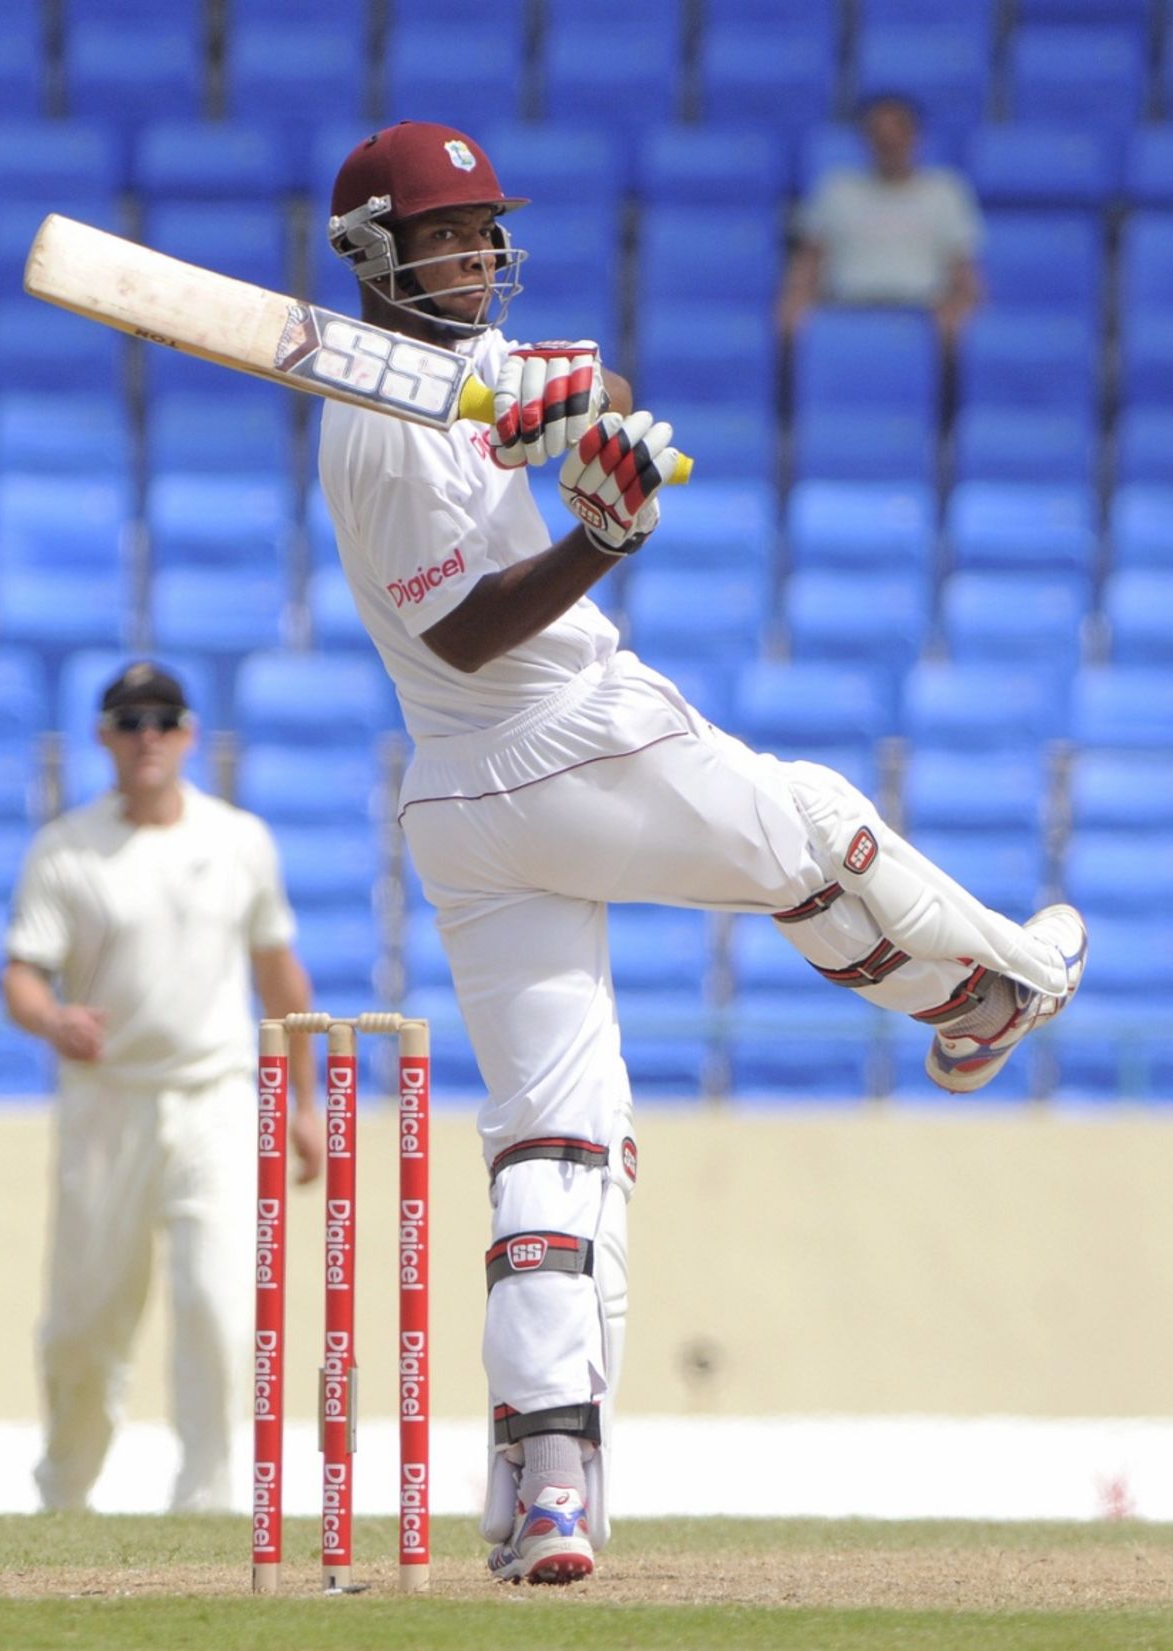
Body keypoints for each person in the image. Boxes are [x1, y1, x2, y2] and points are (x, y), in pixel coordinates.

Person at [319, 120, 1085, 1585]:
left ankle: (545, 1482)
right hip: (560, 732)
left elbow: (583, 389)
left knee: (560, 1128)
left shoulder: (450, 370)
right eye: (447, 239)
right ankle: (988, 991)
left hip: (458, 817)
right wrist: (601, 537)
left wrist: (574, 407)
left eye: (487, 235)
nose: (477, 259)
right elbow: (467, 627)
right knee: (804, 819)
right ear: (372, 252)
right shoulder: (381, 433)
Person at [1, 660, 321, 1514]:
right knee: (85, 1319)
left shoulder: (239, 839)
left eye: (163, 718)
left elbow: (281, 975)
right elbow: (21, 975)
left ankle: (212, 1501)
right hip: (108, 1102)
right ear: (104, 736)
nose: (147, 735)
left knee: (220, 1303)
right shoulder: (66, 848)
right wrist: (52, 1021)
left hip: (217, 1095)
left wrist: (304, 1101)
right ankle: (64, 1493)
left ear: (188, 735)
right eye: (129, 719)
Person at [776, 93, 984, 344]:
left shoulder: (945, 192)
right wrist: (794, 301)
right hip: (845, 310)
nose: (889, 141)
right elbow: (807, 263)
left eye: (898, 133)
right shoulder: (836, 190)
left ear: (916, 136)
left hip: (922, 314)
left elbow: (965, 273)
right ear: (865, 139)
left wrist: (959, 307)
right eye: (879, 134)